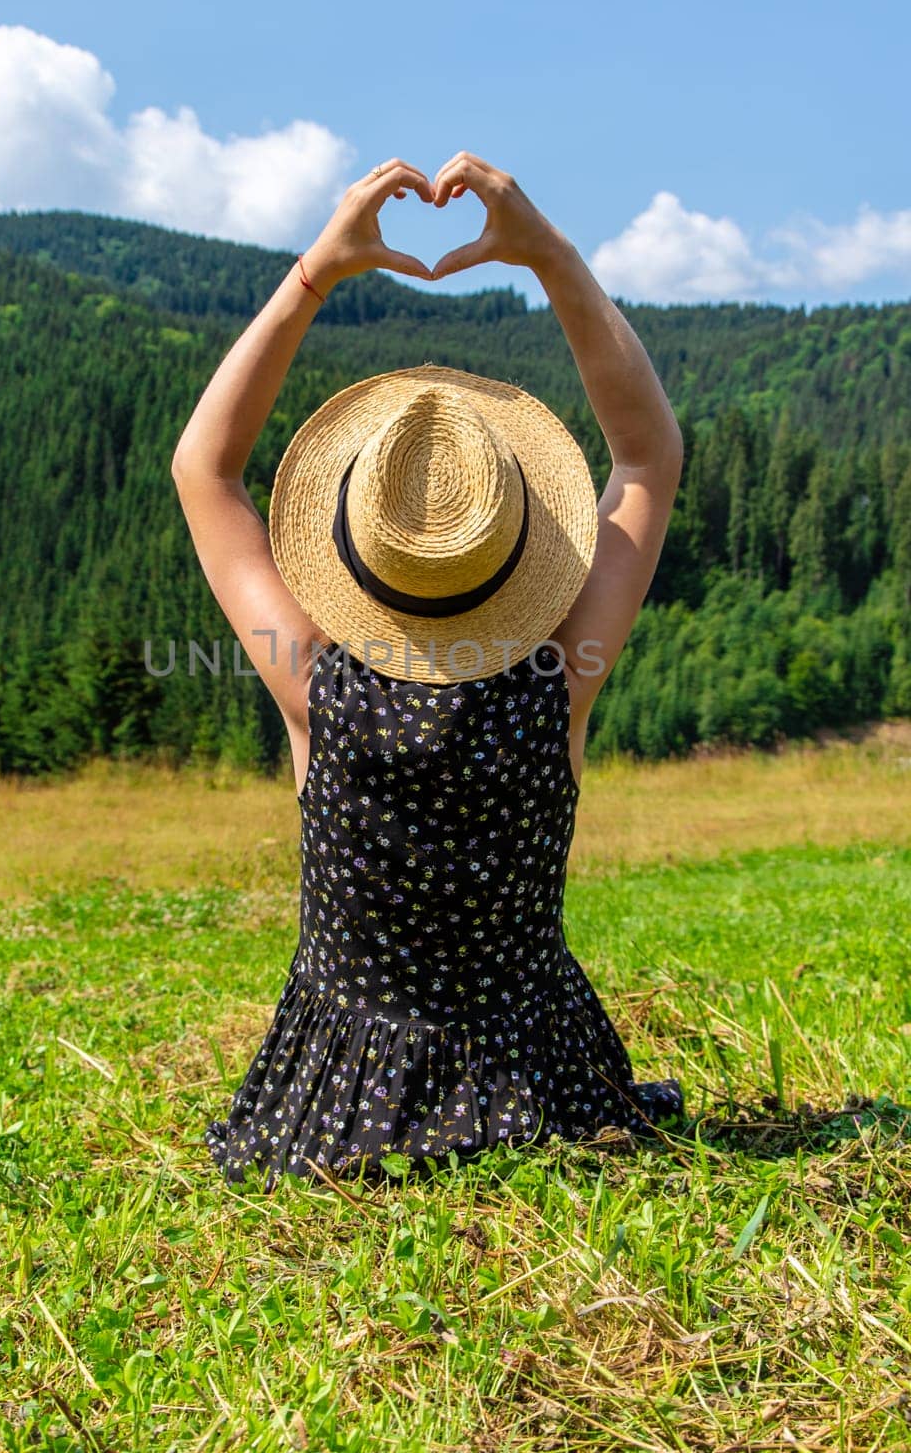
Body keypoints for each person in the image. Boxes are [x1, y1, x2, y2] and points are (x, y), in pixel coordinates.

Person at [171, 152, 686, 1189]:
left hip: (336, 1104)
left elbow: (205, 469)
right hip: (548, 1088)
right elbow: (647, 456)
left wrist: (317, 268)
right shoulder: (560, 677)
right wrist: (551, 256)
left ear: (354, 550)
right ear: (516, 550)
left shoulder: (315, 685)